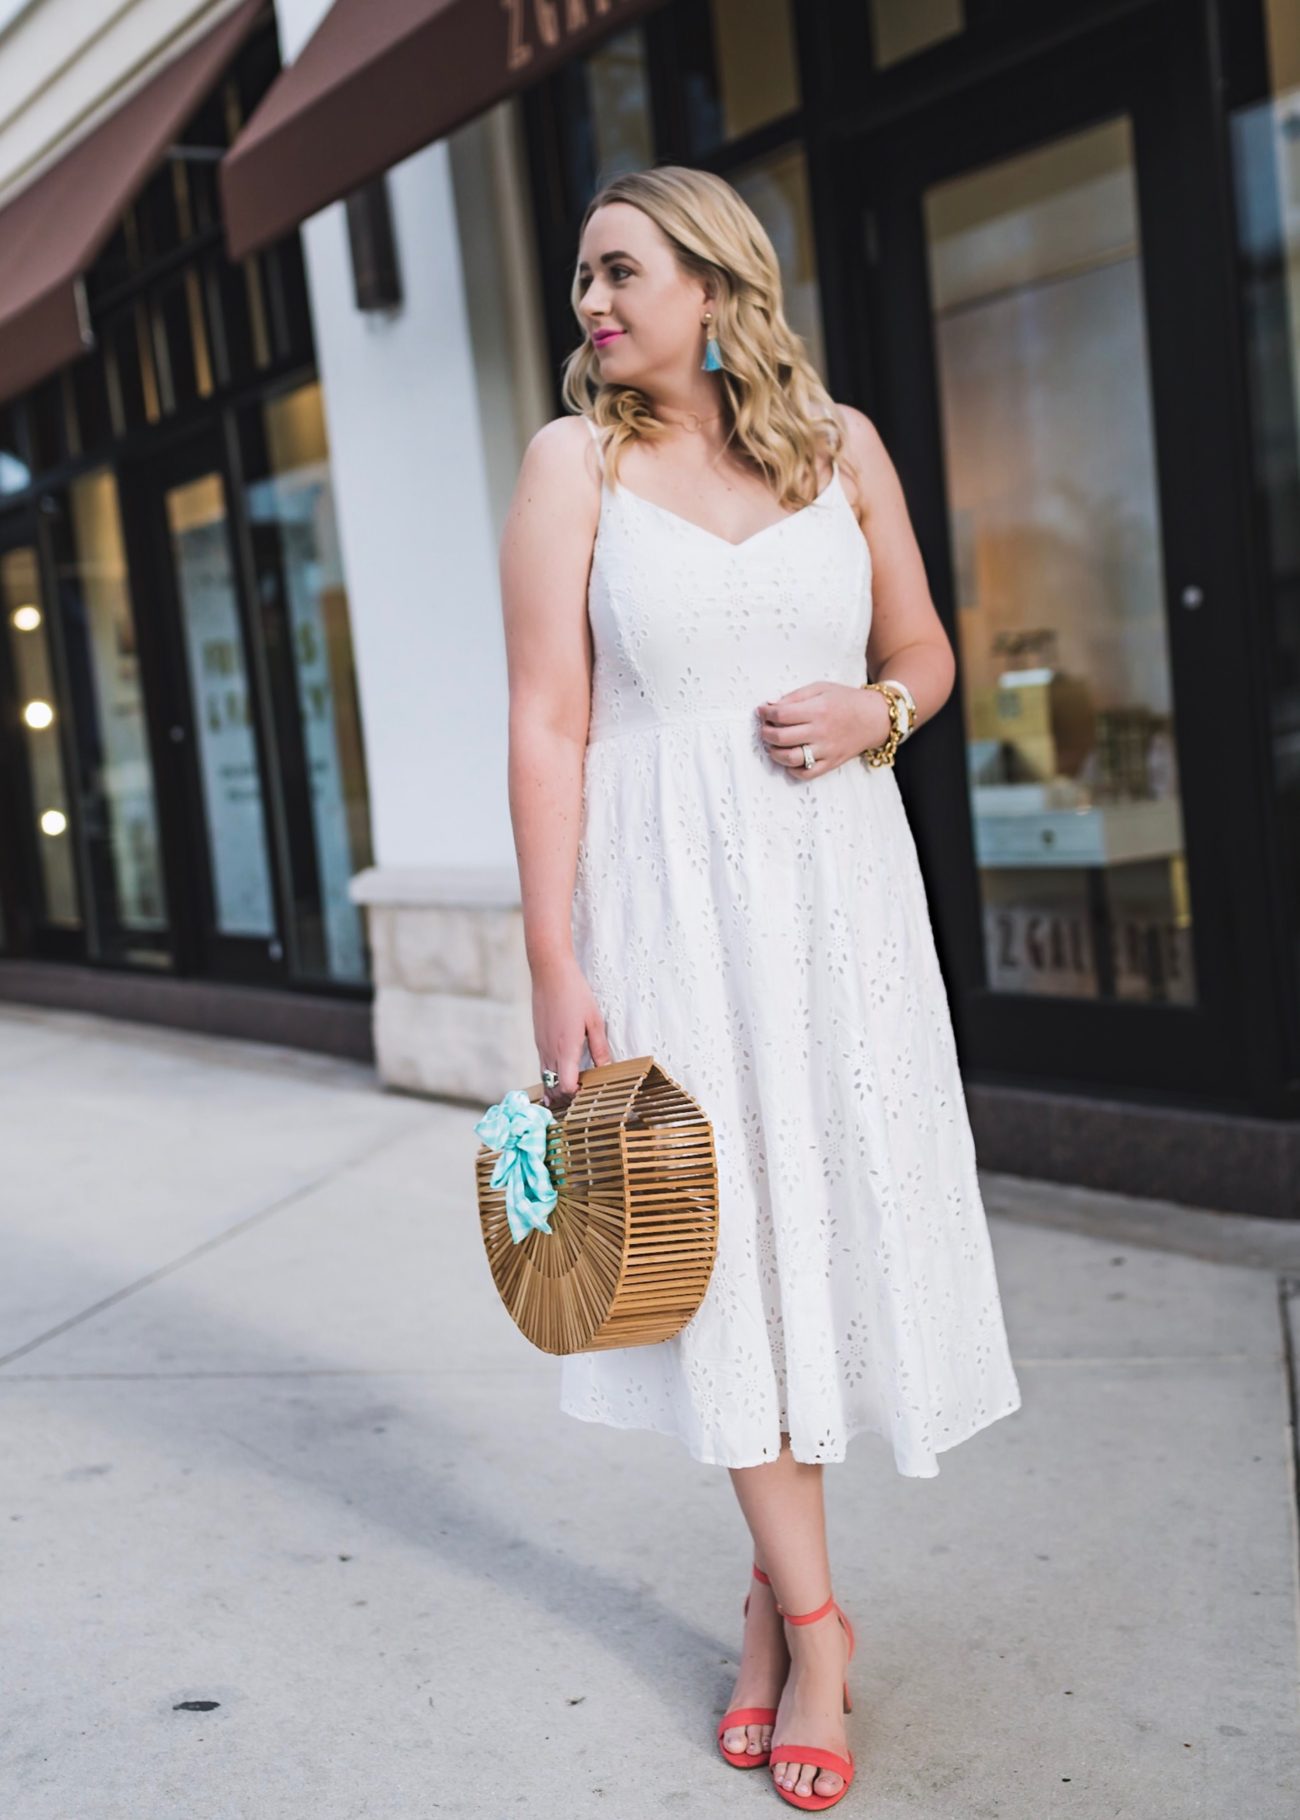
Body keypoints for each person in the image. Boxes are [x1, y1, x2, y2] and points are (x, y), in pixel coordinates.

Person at [498, 163, 1022, 1812]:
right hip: (661, 897)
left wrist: (882, 714)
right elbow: (546, 721)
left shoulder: (843, 445)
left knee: (821, 1234)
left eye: (620, 270)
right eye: (583, 278)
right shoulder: (569, 464)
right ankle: (815, 1621)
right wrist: (552, 960)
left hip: (836, 898)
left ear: (715, 285)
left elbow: (931, 649)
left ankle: (762, 1600)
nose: (591, 302)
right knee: (713, 1259)